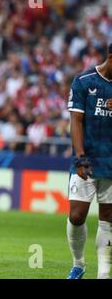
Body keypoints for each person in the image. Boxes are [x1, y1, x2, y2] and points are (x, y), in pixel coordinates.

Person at [66, 43, 112, 279]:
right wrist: (81, 156)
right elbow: (76, 121)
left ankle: (104, 273)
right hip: (87, 159)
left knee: (108, 217)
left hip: (111, 163)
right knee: (76, 215)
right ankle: (79, 264)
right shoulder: (85, 80)